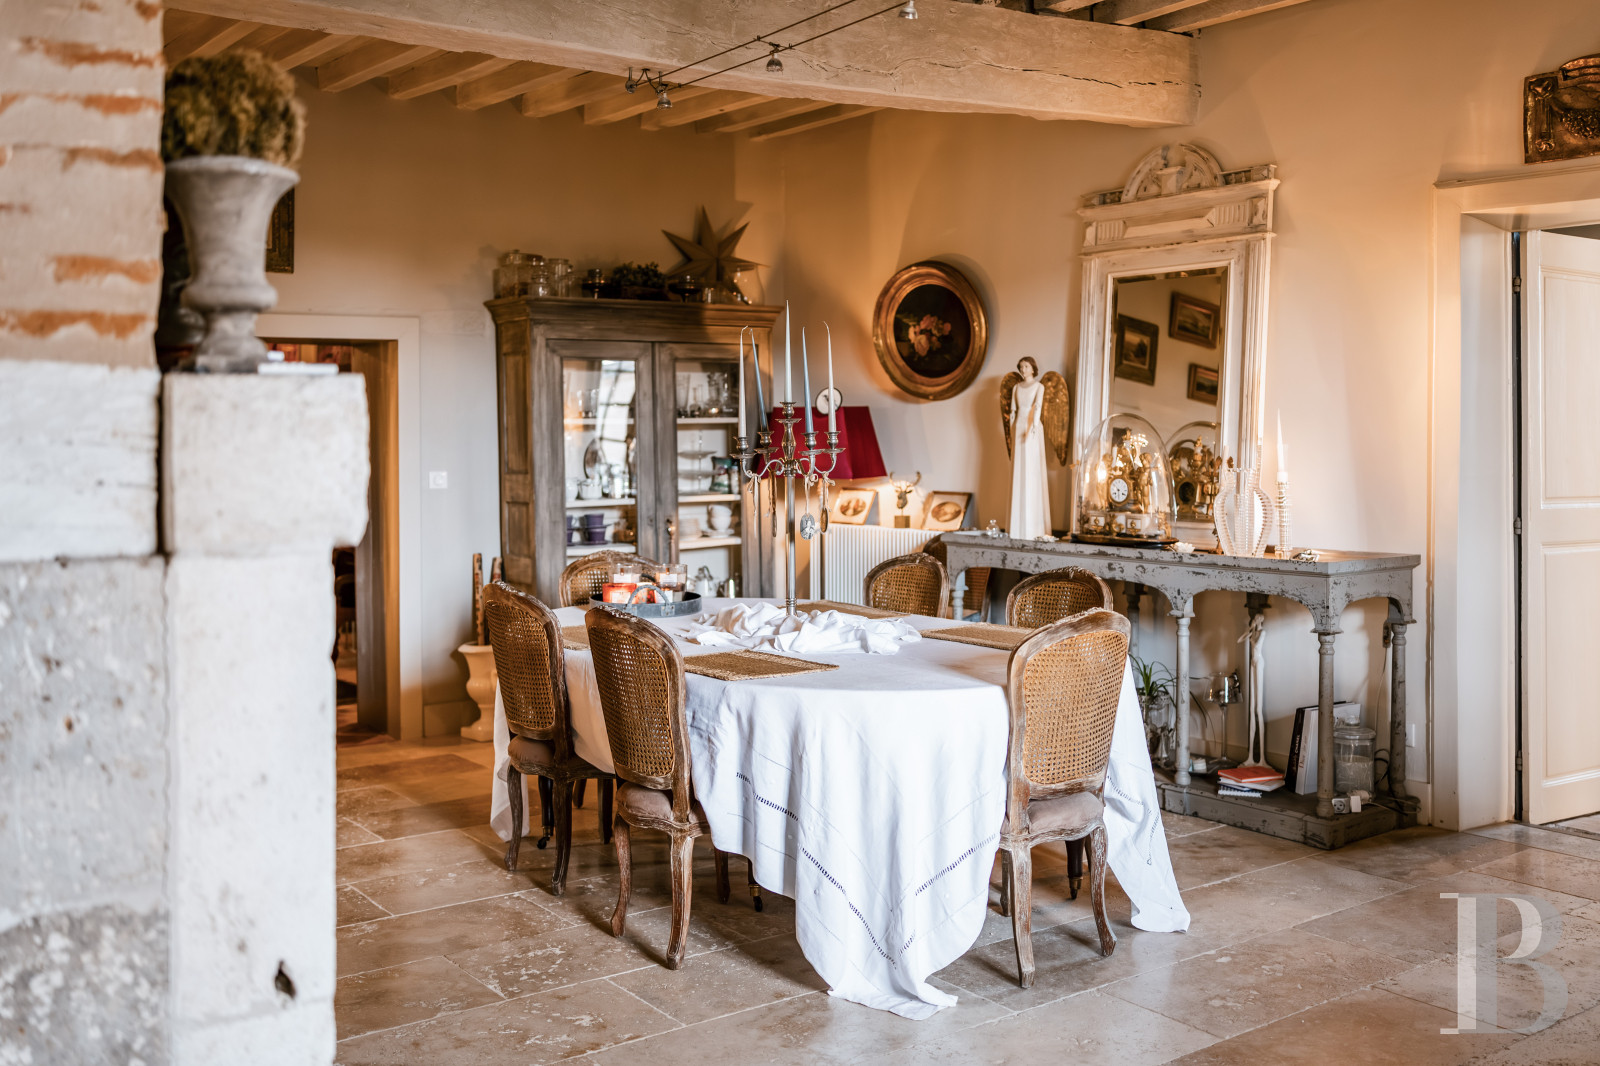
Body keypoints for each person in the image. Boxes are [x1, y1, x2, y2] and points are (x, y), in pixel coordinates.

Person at [1008, 357, 1051, 539]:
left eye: (1026, 366)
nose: (1023, 369)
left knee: (1031, 471)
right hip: (1018, 426)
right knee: (1018, 469)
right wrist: (1011, 425)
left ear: (1033, 368)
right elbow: (1012, 410)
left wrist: (1033, 424)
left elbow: (1039, 406)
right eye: (1021, 367)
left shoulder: (1039, 387)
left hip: (1031, 427)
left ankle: (1033, 527)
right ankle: (1016, 526)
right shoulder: (1016, 388)